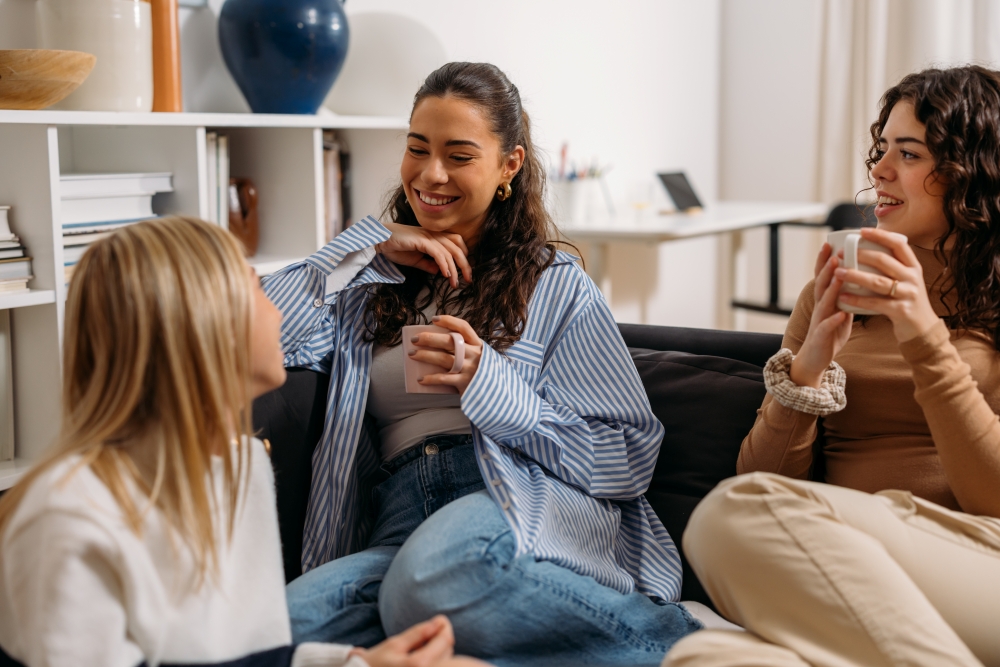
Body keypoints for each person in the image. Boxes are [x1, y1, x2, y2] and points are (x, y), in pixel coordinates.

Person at [265, 62, 700, 667]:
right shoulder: (366, 282)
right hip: (400, 520)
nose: (431, 174)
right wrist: (363, 246)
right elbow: (245, 328)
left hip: (520, 504)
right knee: (272, 636)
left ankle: (676, 646)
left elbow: (627, 457)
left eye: (459, 155)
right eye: (417, 148)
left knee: (429, 582)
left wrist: (491, 387)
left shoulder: (556, 284)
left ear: (509, 166)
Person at [0, 216, 481, 667]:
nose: (276, 311)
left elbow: (251, 657)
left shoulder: (238, 465)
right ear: (199, 325)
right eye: (256, 288)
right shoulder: (68, 517)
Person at [666, 65, 1000, 666]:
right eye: (882, 149)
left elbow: (994, 500)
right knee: (705, 657)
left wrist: (924, 338)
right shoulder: (833, 293)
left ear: (970, 174)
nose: (879, 170)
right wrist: (808, 369)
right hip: (852, 560)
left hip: (980, 558)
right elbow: (762, 479)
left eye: (910, 153)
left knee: (726, 517)